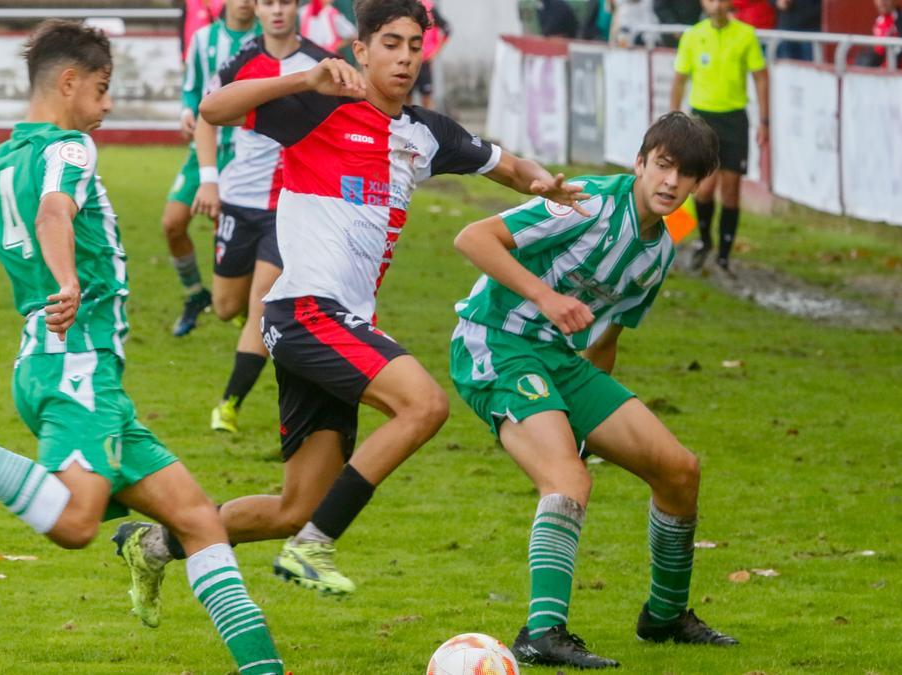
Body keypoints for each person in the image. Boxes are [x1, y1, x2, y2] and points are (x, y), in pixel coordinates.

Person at [0, 20, 284, 674]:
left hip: (62, 369)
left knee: (198, 520)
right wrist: (67, 278)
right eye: (101, 91)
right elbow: (53, 213)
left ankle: (266, 669)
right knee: (76, 524)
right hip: (77, 368)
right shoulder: (70, 149)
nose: (105, 108)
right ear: (68, 83)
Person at [113, 0, 590, 609]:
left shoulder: (427, 133)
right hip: (303, 311)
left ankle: (151, 546)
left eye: (415, 45)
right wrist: (304, 77)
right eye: (391, 43)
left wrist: (545, 183)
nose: (405, 57)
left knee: (292, 507)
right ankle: (316, 545)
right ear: (360, 50)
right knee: (424, 405)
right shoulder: (317, 106)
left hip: (339, 324)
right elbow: (214, 108)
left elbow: (508, 166)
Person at [449, 112, 737, 670]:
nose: (670, 183)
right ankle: (541, 633)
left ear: (699, 185)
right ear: (640, 162)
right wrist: (547, 299)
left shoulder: (659, 252)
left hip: (561, 362)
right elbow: (474, 238)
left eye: (685, 175)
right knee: (567, 478)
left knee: (679, 470)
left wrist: (590, 416)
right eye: (662, 166)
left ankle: (666, 615)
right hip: (497, 342)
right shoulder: (587, 203)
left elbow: (606, 340)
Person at [188, 0, 333, 435]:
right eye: (268, 2)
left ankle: (229, 404)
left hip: (289, 204)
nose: (277, 11)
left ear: (297, 7)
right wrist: (208, 179)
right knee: (224, 305)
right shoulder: (242, 61)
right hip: (237, 198)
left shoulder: (321, 63)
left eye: (285, 2)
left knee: (261, 305)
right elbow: (206, 115)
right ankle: (251, 329)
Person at [165, 0, 260, 337]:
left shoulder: (266, 39)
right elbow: (192, 90)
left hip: (243, 153)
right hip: (202, 150)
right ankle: (195, 295)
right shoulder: (204, 39)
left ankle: (244, 310)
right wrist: (186, 113)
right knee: (173, 224)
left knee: (228, 232)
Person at [671, 0, 769, 276]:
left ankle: (724, 255)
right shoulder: (693, 35)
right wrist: (674, 120)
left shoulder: (745, 34)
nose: (714, 4)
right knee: (703, 188)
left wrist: (765, 120)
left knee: (731, 188)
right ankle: (705, 241)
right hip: (702, 119)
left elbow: (761, 76)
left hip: (734, 119)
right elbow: (679, 79)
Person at [411, 0, 451, 109]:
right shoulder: (403, 5)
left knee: (426, 97)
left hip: (424, 61)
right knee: (405, 96)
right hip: (409, 59)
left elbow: (447, 29)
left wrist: (435, 52)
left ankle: (429, 124)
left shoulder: (429, 7)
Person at [865, 0, 902, 70]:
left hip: (901, 74)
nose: (882, 1)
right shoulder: (880, 21)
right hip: (881, 73)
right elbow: (877, 52)